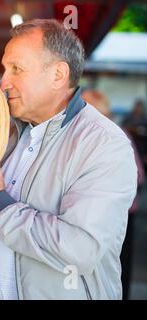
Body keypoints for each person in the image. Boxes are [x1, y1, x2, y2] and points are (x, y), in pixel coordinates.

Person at [0, 19, 138, 300]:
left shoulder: (104, 145)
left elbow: (79, 250)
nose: (3, 83)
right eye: (4, 69)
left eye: (16, 69)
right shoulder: (8, 133)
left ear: (58, 75)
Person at [81, 89, 145, 300]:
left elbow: (138, 177)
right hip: (98, 215)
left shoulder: (114, 135)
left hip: (121, 213)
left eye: (87, 108)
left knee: (116, 267)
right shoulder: (87, 136)